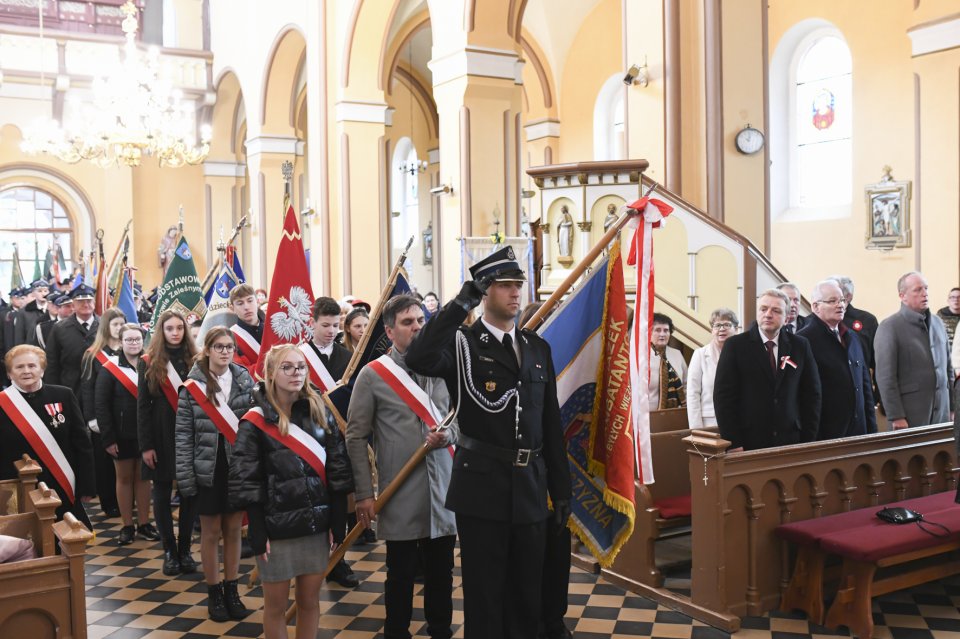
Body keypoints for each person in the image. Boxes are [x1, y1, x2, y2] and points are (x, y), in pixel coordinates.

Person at [406, 245, 572, 639]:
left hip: (531, 486)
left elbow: (550, 423)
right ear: (485, 292)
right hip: (482, 487)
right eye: (505, 285)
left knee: (526, 594)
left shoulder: (536, 347)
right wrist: (461, 301)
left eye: (519, 284)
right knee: (484, 595)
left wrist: (561, 488)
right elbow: (420, 357)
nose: (516, 293)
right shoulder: (462, 345)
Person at [347, 294, 459, 639]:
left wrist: (449, 434)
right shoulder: (372, 375)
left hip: (442, 489)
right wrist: (365, 494)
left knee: (442, 573)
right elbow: (355, 437)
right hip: (400, 490)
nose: (416, 328)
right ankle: (396, 631)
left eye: (421, 321)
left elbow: (460, 420)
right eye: (408, 322)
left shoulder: (444, 366)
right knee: (400, 573)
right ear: (390, 330)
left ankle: (440, 630)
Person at [230, 344, 354, 639]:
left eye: (301, 367)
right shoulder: (255, 421)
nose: (296, 373)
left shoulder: (320, 411)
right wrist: (257, 529)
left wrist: (338, 519)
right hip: (276, 531)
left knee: (309, 602)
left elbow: (338, 468)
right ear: (270, 373)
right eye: (287, 367)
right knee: (275, 608)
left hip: (315, 525)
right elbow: (247, 480)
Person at [175, 327, 255, 621]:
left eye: (229, 347)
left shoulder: (245, 380)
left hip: (236, 467)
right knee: (210, 533)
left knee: (234, 529)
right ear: (207, 349)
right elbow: (183, 436)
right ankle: (214, 592)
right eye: (219, 347)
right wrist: (185, 478)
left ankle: (232, 588)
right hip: (206, 469)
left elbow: (253, 425)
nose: (225, 352)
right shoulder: (192, 387)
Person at [713, 288, 822, 451]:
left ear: (786, 318)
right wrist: (734, 442)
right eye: (763, 309)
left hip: (791, 440)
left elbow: (812, 394)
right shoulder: (735, 346)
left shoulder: (800, 346)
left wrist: (808, 439)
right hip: (749, 442)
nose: (768, 314)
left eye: (776, 310)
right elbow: (723, 398)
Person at [0, 345, 95, 528]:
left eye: (32, 365)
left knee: (68, 540)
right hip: (18, 487)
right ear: (10, 373)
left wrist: (87, 485)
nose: (26, 371)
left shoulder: (63, 395)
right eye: (19, 367)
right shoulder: (3, 403)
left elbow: (82, 443)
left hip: (62, 482)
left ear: (42, 370)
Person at [299, 296, 359, 587]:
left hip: (340, 441)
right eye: (325, 325)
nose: (331, 330)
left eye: (336, 325)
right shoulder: (298, 358)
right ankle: (312, 558)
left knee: (340, 501)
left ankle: (339, 559)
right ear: (312, 323)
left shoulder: (348, 359)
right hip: (308, 439)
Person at [139, 309, 199, 576]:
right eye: (170, 328)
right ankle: (169, 551)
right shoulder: (149, 361)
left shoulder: (196, 359)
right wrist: (146, 445)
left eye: (179, 328)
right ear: (161, 332)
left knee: (189, 493)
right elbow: (142, 406)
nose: (175, 332)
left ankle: (185, 550)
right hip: (161, 432)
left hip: (191, 432)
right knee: (161, 493)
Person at [95, 323, 157, 544]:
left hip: (146, 434)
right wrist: (108, 438)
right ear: (120, 342)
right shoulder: (109, 368)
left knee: (143, 479)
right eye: (129, 340)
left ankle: (144, 523)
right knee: (124, 478)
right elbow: (101, 406)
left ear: (143, 341)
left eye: (137, 339)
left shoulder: (151, 364)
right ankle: (127, 526)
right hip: (120, 435)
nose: (133, 343)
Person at [798, 280, 877, 440]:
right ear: (815, 307)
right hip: (825, 432)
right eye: (832, 301)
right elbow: (801, 394)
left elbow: (864, 385)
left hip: (859, 430)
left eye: (841, 300)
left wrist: (872, 429)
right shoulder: (803, 340)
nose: (840, 305)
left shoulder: (852, 337)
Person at [875, 272, 953, 429]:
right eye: (918, 290)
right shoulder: (890, 327)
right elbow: (885, 377)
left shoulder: (938, 323)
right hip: (910, 415)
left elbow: (948, 369)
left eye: (926, 288)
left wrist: (952, 407)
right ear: (902, 296)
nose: (925, 293)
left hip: (942, 413)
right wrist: (896, 415)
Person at [80, 308, 127, 519]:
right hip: (102, 417)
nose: (119, 328)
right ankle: (109, 502)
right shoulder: (93, 354)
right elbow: (86, 388)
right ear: (106, 327)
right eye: (115, 324)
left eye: (121, 323)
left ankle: (127, 500)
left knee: (126, 460)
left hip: (125, 416)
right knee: (106, 462)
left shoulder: (129, 351)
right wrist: (91, 417)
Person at [44, 284, 99, 397]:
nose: (85, 304)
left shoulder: (105, 325)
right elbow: (52, 363)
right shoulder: (60, 328)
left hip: (99, 387)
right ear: (73, 304)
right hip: (70, 388)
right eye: (80, 301)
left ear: (94, 302)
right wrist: (53, 392)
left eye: (89, 300)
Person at [686, 308, 738, 429]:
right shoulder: (700, 354)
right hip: (709, 423)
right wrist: (696, 428)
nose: (721, 329)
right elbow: (693, 393)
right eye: (717, 325)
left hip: (738, 420)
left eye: (727, 325)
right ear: (712, 330)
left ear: (736, 329)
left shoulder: (744, 353)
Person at [649, 313, 687, 409]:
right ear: (649, 332)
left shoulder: (677, 354)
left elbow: (687, 385)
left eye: (666, 330)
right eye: (657, 330)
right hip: (647, 415)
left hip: (675, 413)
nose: (662, 334)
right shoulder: (640, 356)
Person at [229, 284, 265, 373]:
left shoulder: (272, 329)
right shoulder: (229, 337)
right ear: (232, 308)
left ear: (257, 302)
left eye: (250, 301)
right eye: (240, 303)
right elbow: (240, 372)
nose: (246, 307)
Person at [13, 280, 50, 347]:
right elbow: (19, 337)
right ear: (33, 293)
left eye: (45, 291)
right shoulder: (24, 312)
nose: (43, 294)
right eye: (39, 291)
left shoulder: (53, 309)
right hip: (32, 351)